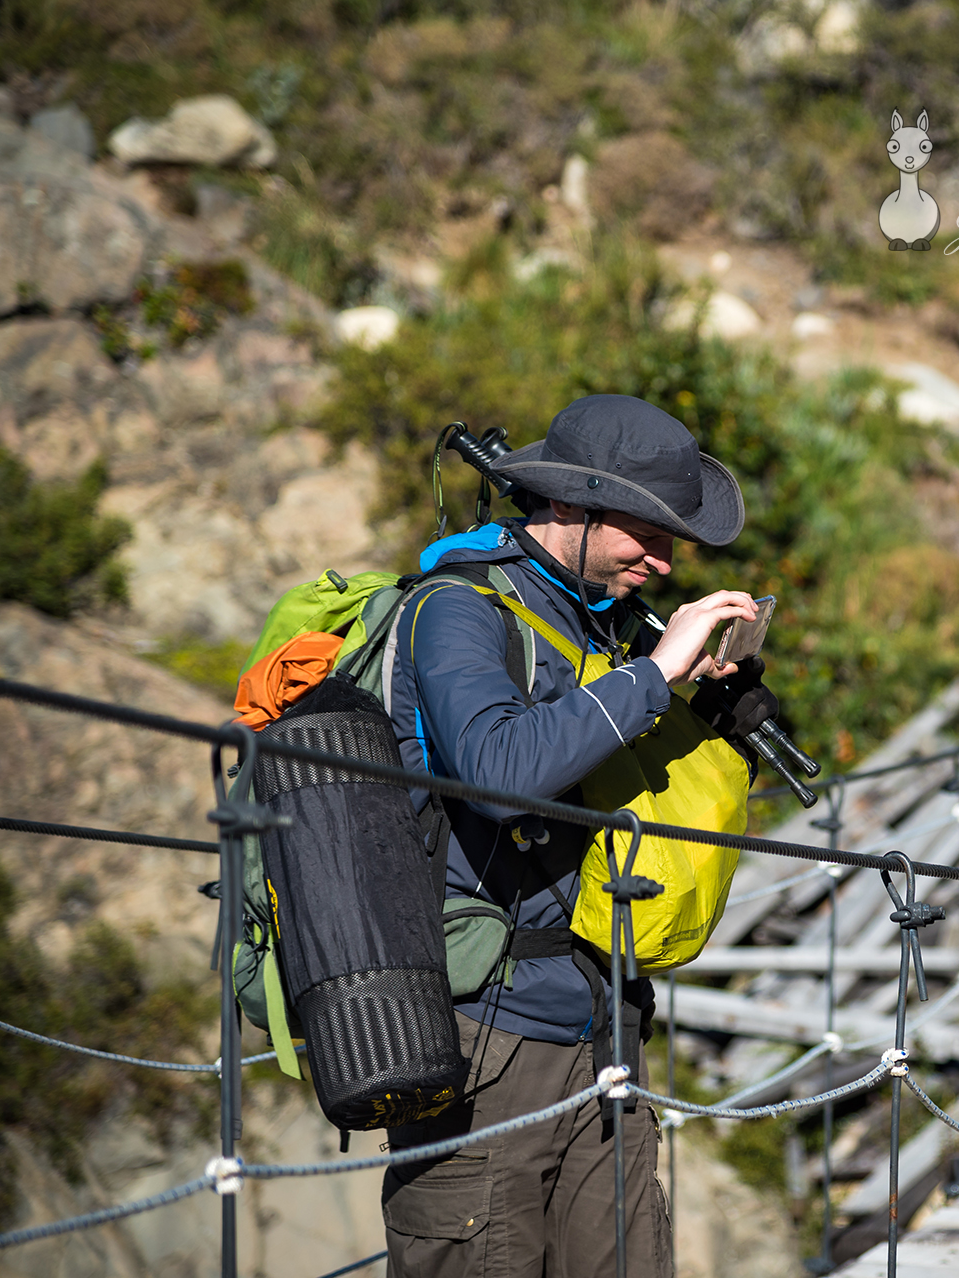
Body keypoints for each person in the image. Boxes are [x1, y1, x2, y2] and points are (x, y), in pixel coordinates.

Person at [380, 394, 765, 1277]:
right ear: (569, 504)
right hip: (485, 1039)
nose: (664, 562)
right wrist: (656, 676)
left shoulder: (602, 614)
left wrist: (711, 707)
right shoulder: (457, 609)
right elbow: (501, 774)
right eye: (647, 535)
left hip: (605, 1034)